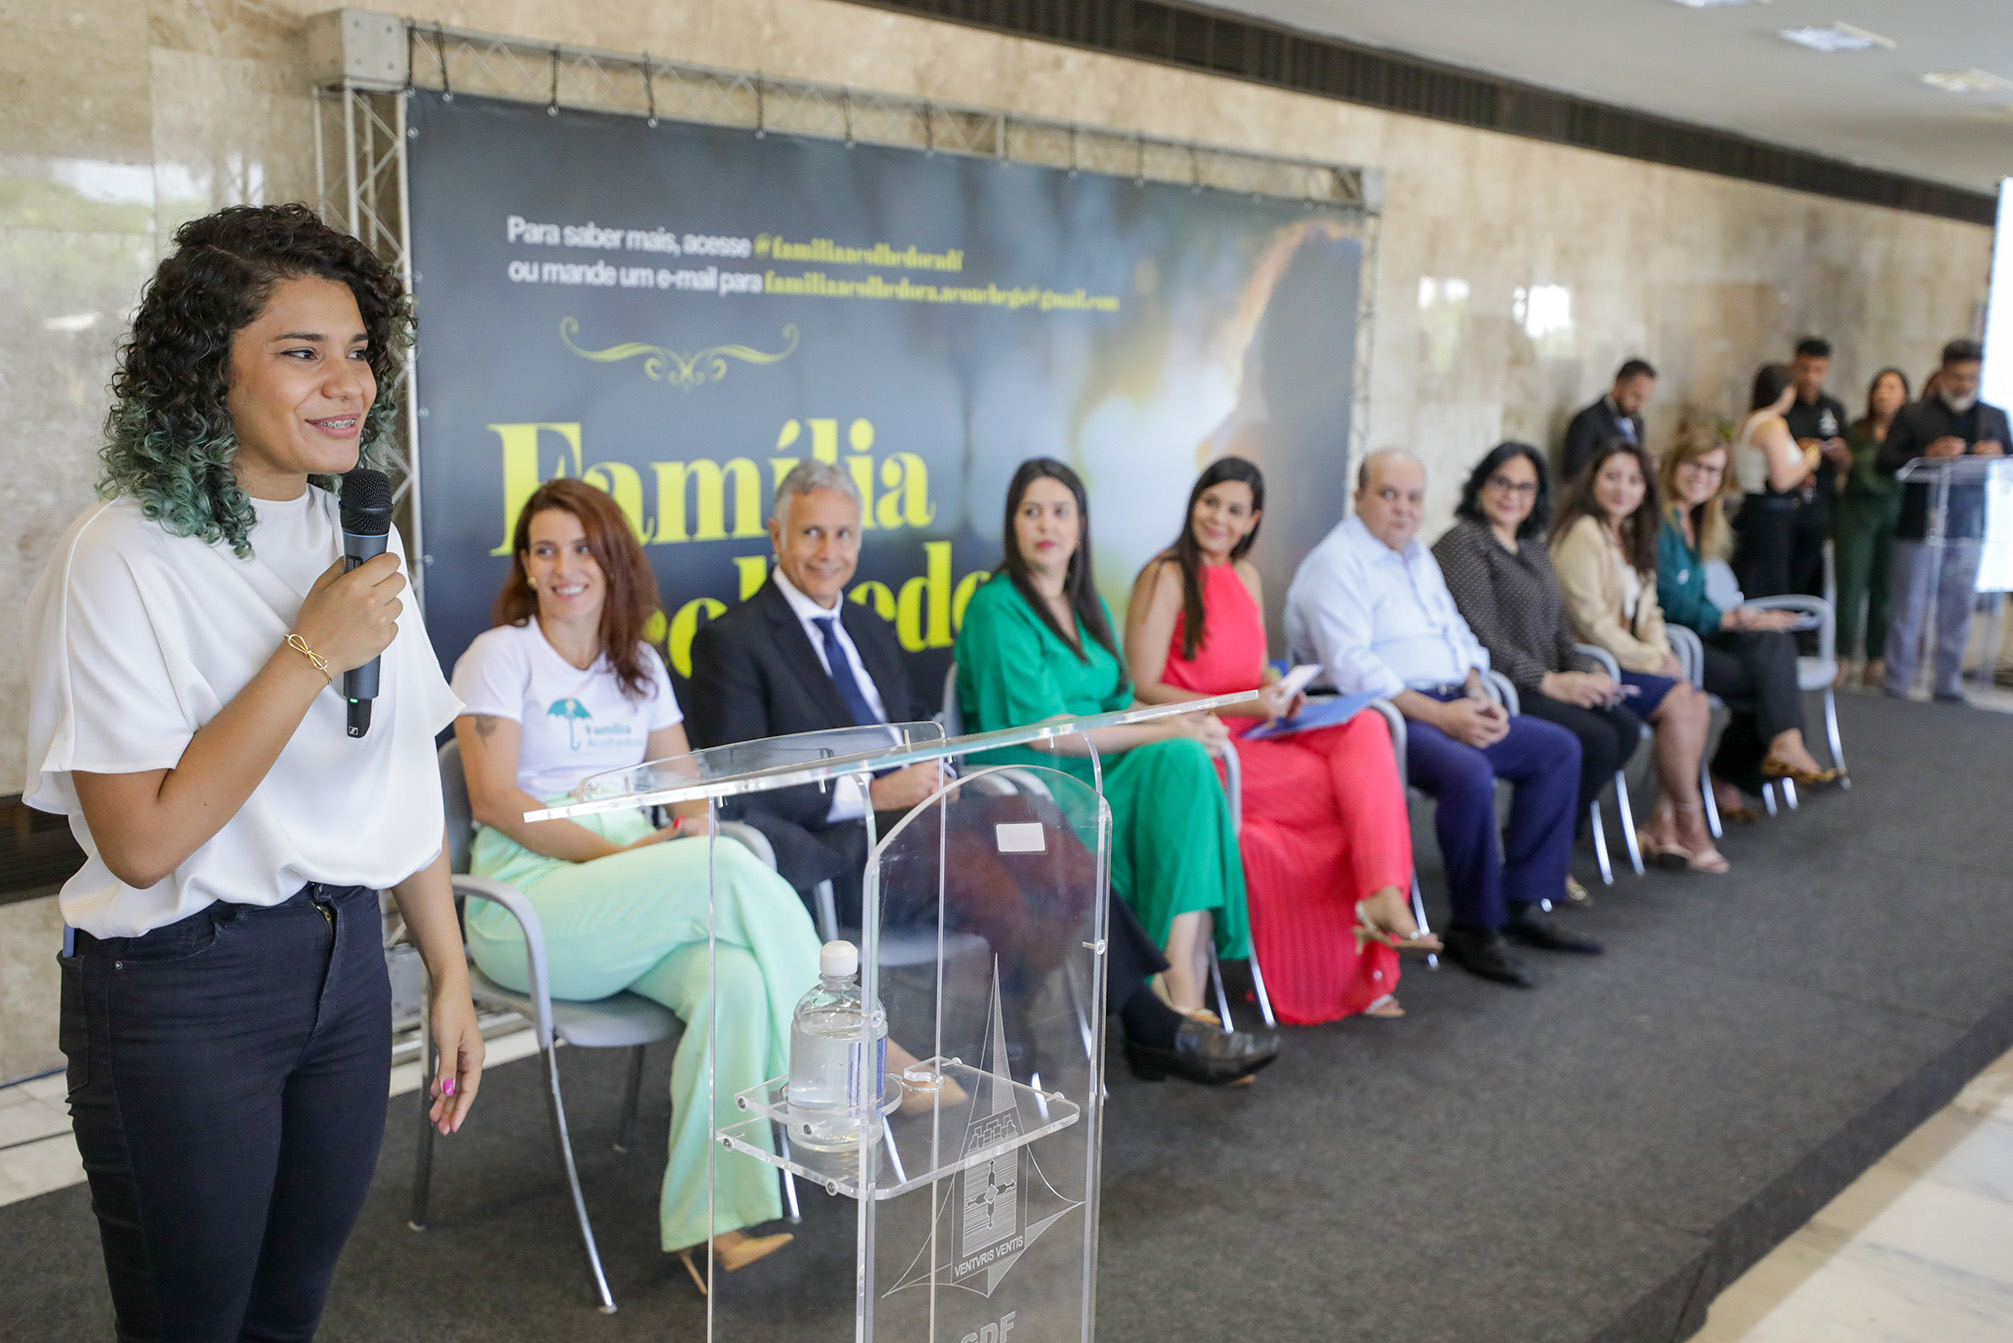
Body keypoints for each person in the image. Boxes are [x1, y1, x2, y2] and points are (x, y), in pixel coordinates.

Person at [22, 203, 483, 1340]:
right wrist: (308, 651)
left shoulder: (358, 538)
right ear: (207, 374)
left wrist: (449, 968)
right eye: (299, 352)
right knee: (191, 1321)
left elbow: (400, 777)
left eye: (358, 350)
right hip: (182, 989)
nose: (347, 383)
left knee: (288, 1310)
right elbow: (142, 842)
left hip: (345, 964)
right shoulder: (121, 554)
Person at [691, 461, 1277, 1085]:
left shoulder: (866, 626)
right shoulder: (733, 642)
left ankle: (1094, 1030)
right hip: (848, 847)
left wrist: (939, 772)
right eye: (812, 533)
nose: (829, 552)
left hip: (937, 815)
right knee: (996, 882)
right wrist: (873, 792)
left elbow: (920, 729)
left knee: (1044, 837)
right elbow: (745, 786)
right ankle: (1116, 1030)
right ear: (776, 534)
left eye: (844, 535)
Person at [452, 477, 817, 1288]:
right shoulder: (500, 654)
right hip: (529, 902)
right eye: (545, 550)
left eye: (583, 548)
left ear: (614, 558)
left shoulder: (639, 664)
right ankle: (843, 1065)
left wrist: (686, 834)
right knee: (729, 866)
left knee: (737, 979)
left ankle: (710, 1220)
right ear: (525, 565)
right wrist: (632, 859)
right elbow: (495, 800)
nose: (564, 567)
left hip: (634, 891)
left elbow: (687, 793)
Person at [1285, 449, 1596, 990]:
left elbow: (1458, 634)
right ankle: (1476, 926)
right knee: (1468, 774)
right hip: (1384, 719)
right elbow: (1354, 671)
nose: (1403, 509)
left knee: (1558, 750)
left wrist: (1477, 692)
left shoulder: (1417, 558)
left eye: (1414, 497)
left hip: (1454, 700)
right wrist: (1442, 716)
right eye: (1388, 494)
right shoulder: (1336, 564)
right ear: (1358, 497)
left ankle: (1519, 903)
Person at [1124, 457, 1419, 1025]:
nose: (1219, 519)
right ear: (1193, 503)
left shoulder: (1247, 577)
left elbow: (1257, 668)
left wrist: (1277, 690)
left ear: (1253, 520)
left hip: (1260, 733)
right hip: (1205, 746)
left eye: (1235, 510)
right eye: (1210, 502)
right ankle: (1364, 920)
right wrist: (1246, 705)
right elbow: (1143, 685)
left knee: (1366, 726)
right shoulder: (1165, 574)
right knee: (1346, 799)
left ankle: (1383, 892)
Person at [954, 458, 1254, 1018]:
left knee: (1186, 759)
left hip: (1100, 765)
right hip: (1036, 783)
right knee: (1177, 756)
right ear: (1013, 525)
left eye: (1060, 512)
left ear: (1081, 527)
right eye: (1031, 512)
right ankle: (1175, 996)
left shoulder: (1083, 604)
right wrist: (1166, 728)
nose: (1047, 524)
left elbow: (1119, 704)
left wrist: (1185, 723)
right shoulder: (997, 607)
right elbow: (1047, 734)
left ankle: (1178, 977)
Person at [1433, 442, 1630, 901]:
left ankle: (1542, 845)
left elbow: (1561, 633)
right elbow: (1480, 637)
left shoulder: (1534, 548)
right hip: (1505, 686)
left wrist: (1585, 673)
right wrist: (1550, 681)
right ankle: (1539, 856)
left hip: (1547, 679)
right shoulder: (1463, 543)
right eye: (1501, 482)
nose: (1512, 495)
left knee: (1622, 726)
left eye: (1525, 487)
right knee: (1595, 738)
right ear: (1480, 485)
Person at [1549, 441, 1727, 872]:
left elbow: (1651, 611)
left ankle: (1665, 821)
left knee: (1693, 698)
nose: (1622, 489)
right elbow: (1590, 620)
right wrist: (1650, 660)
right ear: (1592, 481)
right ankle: (1690, 822)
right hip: (1590, 664)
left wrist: (1660, 652)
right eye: (1612, 477)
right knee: (1683, 700)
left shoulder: (1630, 533)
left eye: (1633, 480)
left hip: (1628, 661)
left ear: (1646, 489)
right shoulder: (1583, 534)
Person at [1656, 437, 1843, 809]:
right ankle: (1735, 771)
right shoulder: (1659, 524)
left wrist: (1749, 618)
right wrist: (1728, 618)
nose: (1702, 476)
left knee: (1773, 639)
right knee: (1768, 683)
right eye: (1694, 464)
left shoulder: (1697, 520)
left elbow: (1695, 595)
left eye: (1712, 470)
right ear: (1673, 465)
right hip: (1673, 643)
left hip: (1701, 632)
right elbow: (1669, 601)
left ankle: (1780, 746)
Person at [1877, 338, 2010, 702]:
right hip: (1919, 525)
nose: (1965, 385)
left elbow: (2009, 460)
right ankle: (1897, 682)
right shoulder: (1914, 414)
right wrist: (1927, 453)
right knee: (1908, 608)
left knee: (1959, 609)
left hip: (1969, 527)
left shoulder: (1994, 417)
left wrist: (1997, 453)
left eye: (1972, 378)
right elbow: (1885, 461)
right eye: (1957, 377)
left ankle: (1948, 685)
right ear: (1942, 374)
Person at [1835, 369, 1912, 683]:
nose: (1884, 393)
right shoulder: (1857, 430)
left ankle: (1876, 658)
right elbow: (1845, 472)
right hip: (1857, 511)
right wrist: (1842, 461)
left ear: (1905, 395)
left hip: (1895, 513)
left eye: (1892, 387)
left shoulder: (1908, 433)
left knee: (1885, 589)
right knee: (1850, 586)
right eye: (1879, 387)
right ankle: (1843, 656)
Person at [1729, 363, 1823, 601]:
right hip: (1771, 516)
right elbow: (1781, 481)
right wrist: (1809, 460)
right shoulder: (1773, 424)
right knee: (1769, 588)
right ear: (1786, 390)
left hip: (1751, 509)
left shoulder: (1746, 421)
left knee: (1751, 583)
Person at [1784, 336, 1855, 600]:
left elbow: (1847, 464)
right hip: (1786, 503)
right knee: (1786, 575)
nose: (1811, 377)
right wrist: (1797, 449)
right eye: (1805, 369)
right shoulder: (1784, 405)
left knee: (1813, 575)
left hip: (1821, 505)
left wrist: (1841, 455)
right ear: (1794, 366)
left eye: (1818, 370)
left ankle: (1809, 623)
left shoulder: (1833, 408)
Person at [1562, 358, 1656, 483]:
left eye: (1645, 399)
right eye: (1636, 396)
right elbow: (1573, 472)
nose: (1640, 405)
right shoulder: (1587, 420)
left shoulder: (1637, 422)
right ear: (1619, 384)